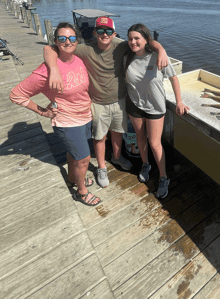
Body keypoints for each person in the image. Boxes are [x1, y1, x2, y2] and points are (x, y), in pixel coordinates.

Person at [44, 16, 168, 188]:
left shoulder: (122, 45)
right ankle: (102, 168)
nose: (104, 34)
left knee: (118, 132)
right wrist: (54, 69)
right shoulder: (85, 49)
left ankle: (117, 157)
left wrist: (161, 49)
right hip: (97, 102)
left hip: (120, 101)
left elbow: (147, 42)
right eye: (100, 31)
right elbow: (51, 49)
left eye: (108, 31)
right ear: (94, 32)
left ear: (114, 33)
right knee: (100, 137)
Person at [10, 22, 101, 206]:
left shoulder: (79, 59)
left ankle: (73, 179)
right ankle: (81, 192)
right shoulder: (46, 70)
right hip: (67, 121)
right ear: (56, 41)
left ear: (77, 40)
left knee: (74, 154)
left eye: (72, 38)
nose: (68, 42)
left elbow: (50, 50)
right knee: (83, 158)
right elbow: (16, 94)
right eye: (62, 38)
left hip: (84, 117)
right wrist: (42, 111)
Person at [125, 23, 189, 199]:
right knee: (140, 137)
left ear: (146, 40)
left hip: (155, 107)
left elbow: (174, 78)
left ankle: (163, 177)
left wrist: (179, 102)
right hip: (134, 105)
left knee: (154, 143)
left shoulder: (157, 56)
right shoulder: (127, 55)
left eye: (137, 38)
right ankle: (145, 164)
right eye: (130, 38)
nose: (133, 42)